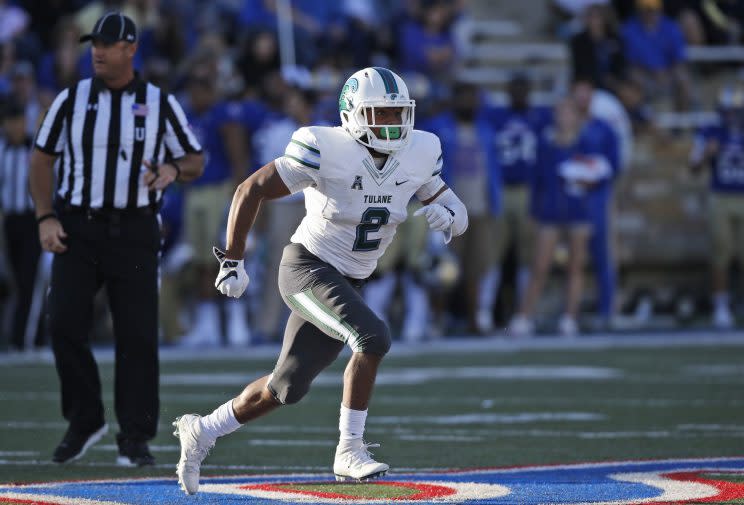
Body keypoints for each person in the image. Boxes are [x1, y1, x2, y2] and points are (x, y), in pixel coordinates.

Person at [172, 66, 468, 495]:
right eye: (380, 114)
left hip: (350, 280)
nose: (392, 124)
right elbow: (249, 189)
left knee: (284, 388)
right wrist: (233, 260)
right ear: (352, 115)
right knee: (373, 337)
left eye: (397, 114)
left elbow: (453, 207)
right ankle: (349, 450)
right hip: (307, 268)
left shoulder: (420, 151)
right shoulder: (326, 147)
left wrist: (453, 218)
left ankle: (203, 430)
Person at [29, 12, 204, 466]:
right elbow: (41, 160)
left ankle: (135, 435)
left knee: (138, 335)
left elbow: (194, 159)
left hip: (134, 230)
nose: (98, 51)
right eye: (94, 44)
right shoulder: (72, 100)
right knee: (63, 323)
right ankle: (85, 419)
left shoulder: (158, 102)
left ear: (131, 48)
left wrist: (171, 169)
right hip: (78, 227)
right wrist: (46, 217)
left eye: (108, 44)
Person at [509, 98, 611, 337]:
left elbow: (600, 173)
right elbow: (537, 180)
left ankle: (569, 317)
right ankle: (524, 316)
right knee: (540, 266)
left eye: (568, 113)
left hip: (578, 211)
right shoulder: (546, 145)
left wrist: (590, 182)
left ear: (576, 117)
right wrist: (534, 211)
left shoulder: (586, 143)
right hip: (550, 213)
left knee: (575, 267)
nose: (564, 118)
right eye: (560, 112)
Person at [481, 74, 552, 334]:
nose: (520, 94)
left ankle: (525, 312)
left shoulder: (541, 116)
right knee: (492, 254)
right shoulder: (495, 116)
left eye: (524, 88)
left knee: (527, 256)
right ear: (508, 91)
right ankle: (484, 312)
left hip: (528, 190)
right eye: (516, 88)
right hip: (501, 190)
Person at [690, 85, 744, 329]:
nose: (733, 116)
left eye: (737, 111)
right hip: (720, 196)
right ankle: (720, 305)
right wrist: (706, 155)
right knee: (721, 252)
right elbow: (694, 167)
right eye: (729, 111)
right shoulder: (710, 131)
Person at [0, 100, 43, 351]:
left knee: (29, 280)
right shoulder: (2, 151)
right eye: (10, 122)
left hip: (31, 220)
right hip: (10, 222)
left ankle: (23, 338)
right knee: (18, 281)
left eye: (18, 121)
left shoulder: (36, 151)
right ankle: (33, 335)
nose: (15, 127)